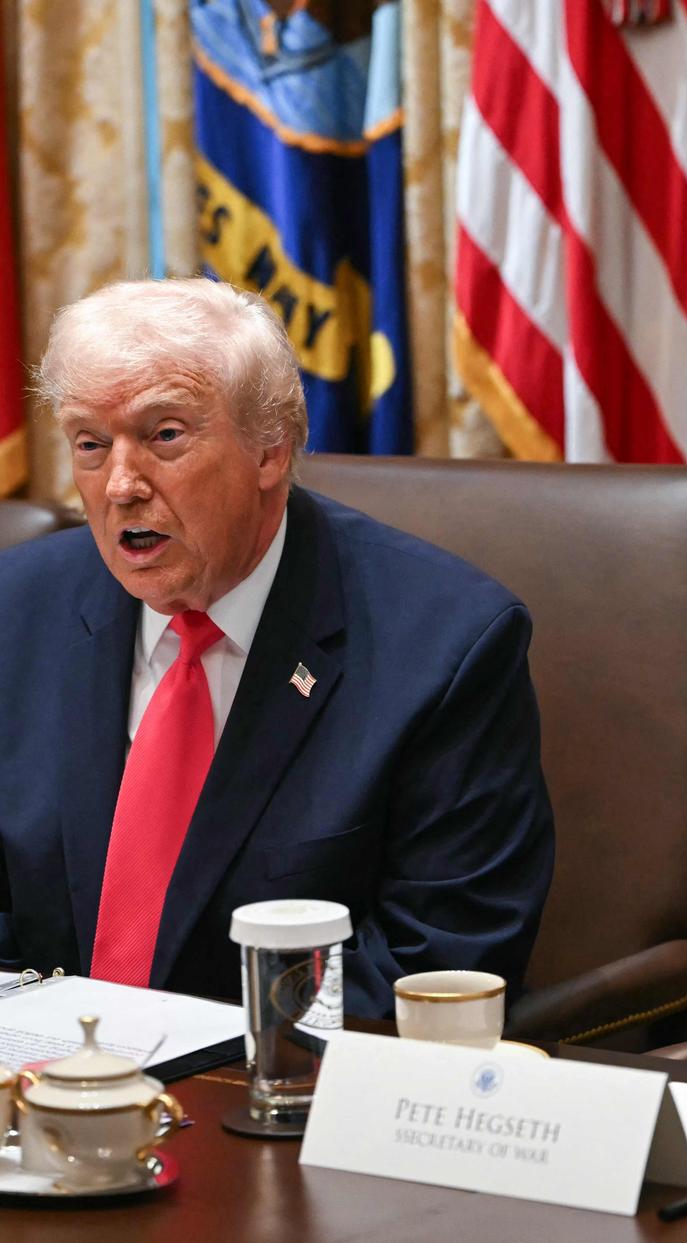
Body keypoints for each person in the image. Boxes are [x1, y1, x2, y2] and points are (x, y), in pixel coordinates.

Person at [0, 277, 554, 1016]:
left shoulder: (446, 647)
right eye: (91, 445)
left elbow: (438, 966)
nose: (121, 486)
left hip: (274, 1097)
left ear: (270, 450)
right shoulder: (17, 609)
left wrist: (180, 1055)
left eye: (164, 435)